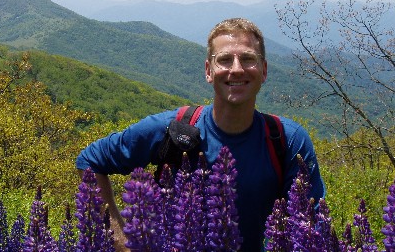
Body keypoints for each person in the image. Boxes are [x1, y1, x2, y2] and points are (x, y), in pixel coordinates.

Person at [76, 17, 325, 251]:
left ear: (264, 70)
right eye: (225, 60)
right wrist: (118, 235)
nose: (236, 69)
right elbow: (90, 160)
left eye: (248, 59)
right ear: (208, 70)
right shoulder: (172, 127)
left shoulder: (287, 139)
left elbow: (309, 224)